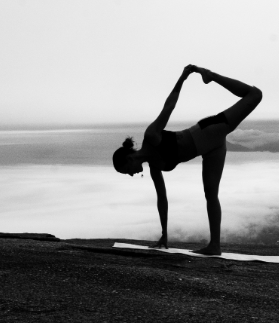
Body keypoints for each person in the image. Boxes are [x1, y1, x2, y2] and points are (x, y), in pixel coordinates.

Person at [112, 65, 262, 255]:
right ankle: (215, 246)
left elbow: (169, 106)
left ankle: (211, 75)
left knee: (255, 94)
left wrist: (182, 78)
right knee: (211, 194)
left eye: (128, 170)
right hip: (211, 150)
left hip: (209, 131)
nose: (132, 174)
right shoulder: (154, 167)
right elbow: (162, 199)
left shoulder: (151, 137)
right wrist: (164, 234)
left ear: (129, 157)